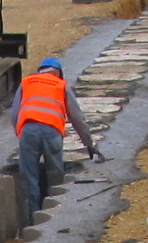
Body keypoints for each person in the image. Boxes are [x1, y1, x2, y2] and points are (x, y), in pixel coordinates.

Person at [11, 56, 99, 214]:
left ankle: (32, 216)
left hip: (28, 131)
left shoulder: (26, 82)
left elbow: (14, 114)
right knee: (55, 175)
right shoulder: (61, 85)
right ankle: (54, 213)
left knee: (29, 177)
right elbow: (77, 117)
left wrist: (21, 135)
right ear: (58, 72)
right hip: (52, 132)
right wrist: (88, 143)